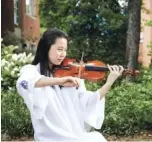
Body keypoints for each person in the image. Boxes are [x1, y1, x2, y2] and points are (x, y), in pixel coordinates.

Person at [16, 28, 124, 142]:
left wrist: (109, 82)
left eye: (65, 50)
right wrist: (60, 81)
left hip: (72, 134)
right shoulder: (32, 71)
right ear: (46, 48)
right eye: (59, 49)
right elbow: (24, 83)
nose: (63, 54)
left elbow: (89, 102)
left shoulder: (71, 75)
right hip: (49, 138)